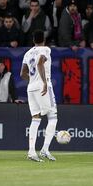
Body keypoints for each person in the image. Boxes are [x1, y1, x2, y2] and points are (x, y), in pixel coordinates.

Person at [20, 30, 58, 162]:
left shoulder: (27, 53)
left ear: (33, 40)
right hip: (43, 85)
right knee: (52, 117)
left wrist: (32, 81)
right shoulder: (45, 49)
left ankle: (31, 151)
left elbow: (22, 74)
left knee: (35, 118)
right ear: (44, 40)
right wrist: (43, 82)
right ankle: (45, 149)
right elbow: (40, 62)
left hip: (31, 87)